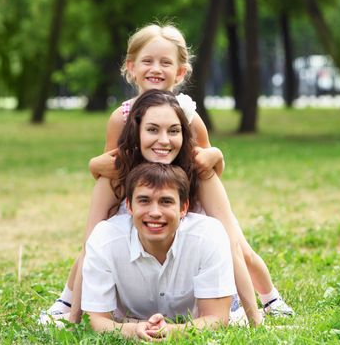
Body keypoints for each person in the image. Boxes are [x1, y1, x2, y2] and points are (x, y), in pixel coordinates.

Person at [44, 23, 293, 324]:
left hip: (186, 194)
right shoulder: (121, 118)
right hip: (141, 196)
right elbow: (110, 163)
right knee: (94, 245)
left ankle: (269, 298)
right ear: (131, 67)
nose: (156, 69)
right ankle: (68, 302)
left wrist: (217, 155)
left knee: (237, 245)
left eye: (165, 62)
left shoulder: (189, 117)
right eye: (147, 61)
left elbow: (207, 163)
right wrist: (95, 166)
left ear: (180, 72)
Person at [82, 162, 235, 341]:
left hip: (194, 317)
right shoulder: (104, 239)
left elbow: (217, 318)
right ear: (129, 206)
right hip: (130, 321)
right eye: (144, 200)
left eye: (166, 201)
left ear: (183, 208)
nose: (155, 212)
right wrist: (133, 330)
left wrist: (173, 331)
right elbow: (95, 319)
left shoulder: (209, 235)